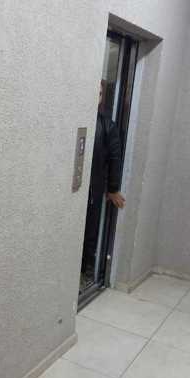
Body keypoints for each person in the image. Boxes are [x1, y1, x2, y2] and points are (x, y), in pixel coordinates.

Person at [82, 80, 126, 275]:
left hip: (94, 190)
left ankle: (84, 271)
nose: (96, 97)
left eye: (100, 94)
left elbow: (115, 157)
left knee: (89, 232)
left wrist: (113, 188)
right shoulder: (73, 119)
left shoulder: (107, 125)